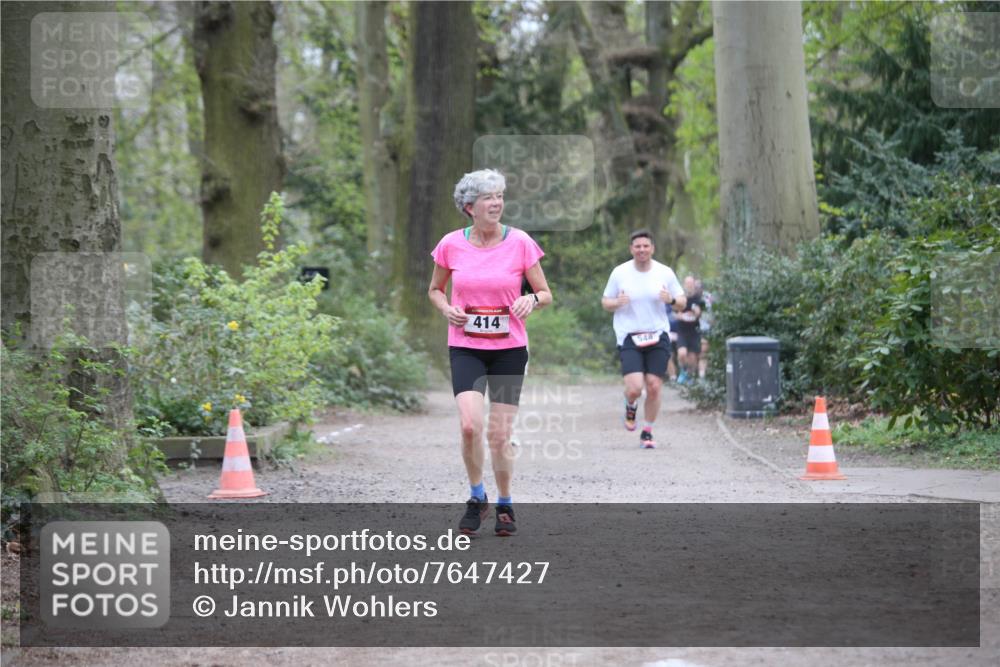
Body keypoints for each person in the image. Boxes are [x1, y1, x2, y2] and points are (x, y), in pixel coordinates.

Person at [428, 169, 552, 537]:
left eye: (499, 196)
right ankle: (476, 496)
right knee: (470, 426)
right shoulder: (450, 244)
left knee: (499, 434)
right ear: (470, 207)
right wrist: (445, 308)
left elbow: (545, 293)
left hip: (509, 349)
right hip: (465, 346)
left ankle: (505, 502)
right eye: (488, 197)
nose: (496, 203)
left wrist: (531, 298)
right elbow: (435, 289)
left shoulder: (521, 242)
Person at [601, 230, 686, 449]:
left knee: (655, 386)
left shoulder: (664, 272)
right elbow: (605, 302)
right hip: (630, 336)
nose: (642, 250)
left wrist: (672, 299)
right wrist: (617, 302)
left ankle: (647, 432)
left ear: (652, 248)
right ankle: (631, 405)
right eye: (637, 246)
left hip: (657, 334)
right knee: (635, 388)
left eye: (645, 246)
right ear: (631, 249)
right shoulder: (620, 273)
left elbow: (682, 302)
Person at [675, 276, 705, 385]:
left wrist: (697, 311)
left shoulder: (698, 299)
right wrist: (680, 316)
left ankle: (690, 377)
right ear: (684, 285)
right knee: (682, 354)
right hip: (682, 330)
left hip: (694, 331)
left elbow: (701, 313)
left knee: (693, 358)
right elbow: (674, 313)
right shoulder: (681, 298)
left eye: (691, 284)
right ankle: (683, 371)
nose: (689, 286)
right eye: (687, 284)